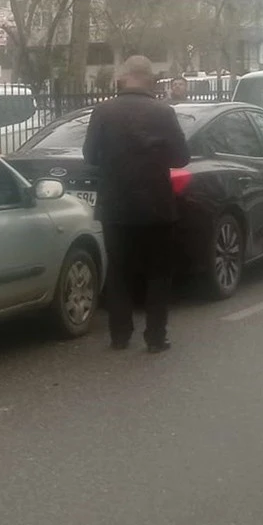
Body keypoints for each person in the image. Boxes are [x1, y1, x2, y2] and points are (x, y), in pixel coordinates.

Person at [83, 55, 189, 354]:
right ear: (149, 78)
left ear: (124, 76)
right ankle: (155, 337)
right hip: (156, 205)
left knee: (119, 270)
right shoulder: (163, 112)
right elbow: (181, 157)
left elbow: (90, 156)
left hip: (116, 206)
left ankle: (119, 335)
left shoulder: (103, 111)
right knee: (158, 272)